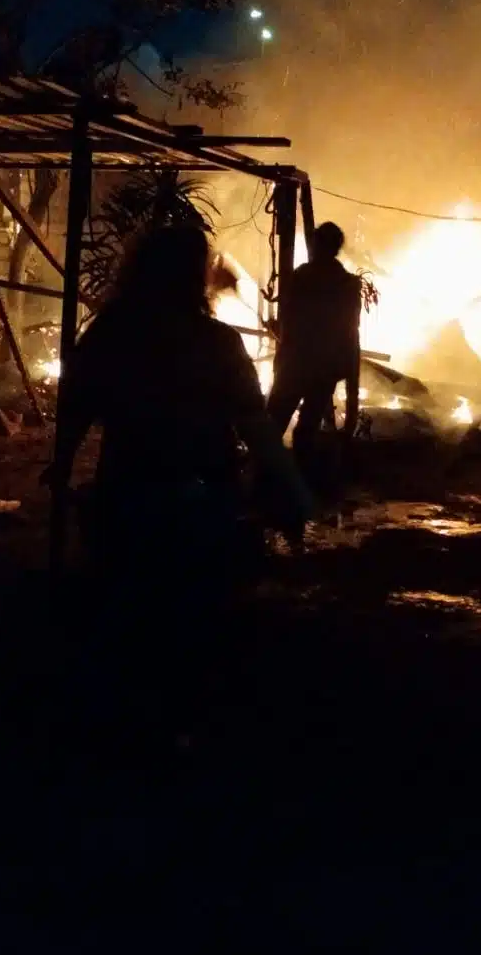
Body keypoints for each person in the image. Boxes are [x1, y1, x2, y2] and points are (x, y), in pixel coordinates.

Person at [45, 222, 313, 742]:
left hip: (129, 487)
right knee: (193, 617)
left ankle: (120, 733)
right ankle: (182, 732)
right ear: (195, 276)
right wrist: (290, 484)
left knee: (127, 610)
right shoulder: (216, 342)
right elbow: (254, 423)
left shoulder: (111, 332)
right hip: (202, 493)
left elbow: (78, 402)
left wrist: (61, 459)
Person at [267, 221, 362, 494]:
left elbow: (289, 321)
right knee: (306, 429)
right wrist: (349, 380)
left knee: (274, 424)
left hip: (296, 363)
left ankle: (268, 484)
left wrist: (281, 351)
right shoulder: (347, 283)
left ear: (317, 244)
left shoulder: (302, 276)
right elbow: (350, 331)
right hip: (324, 367)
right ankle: (300, 485)